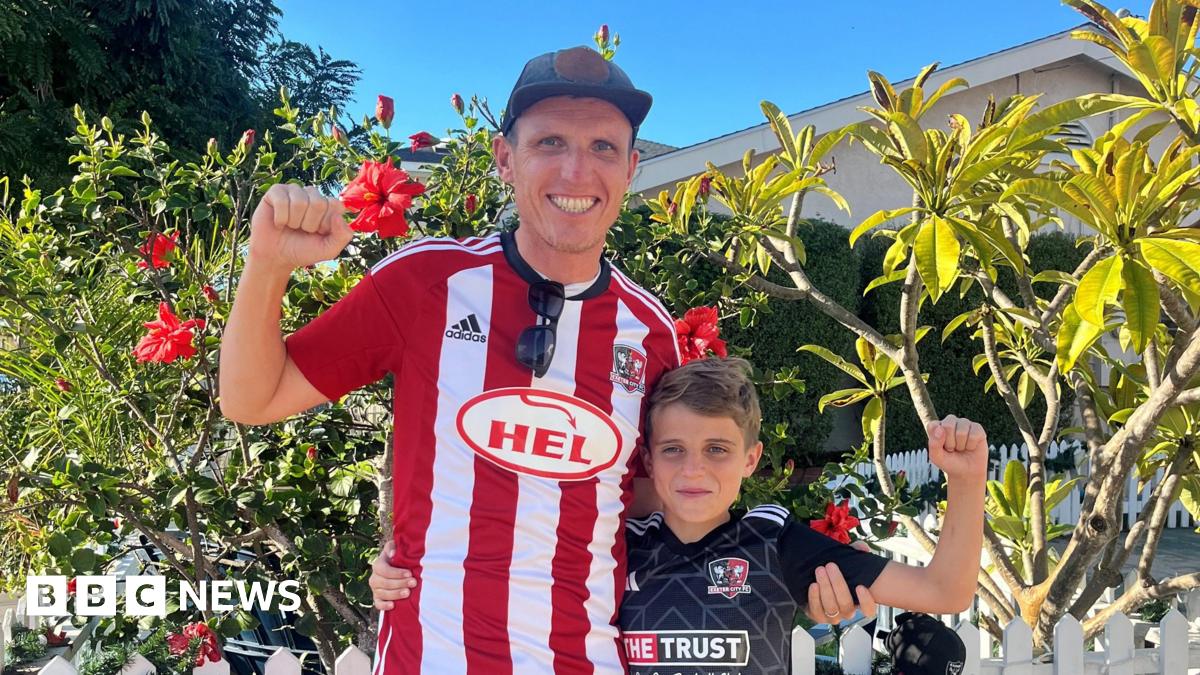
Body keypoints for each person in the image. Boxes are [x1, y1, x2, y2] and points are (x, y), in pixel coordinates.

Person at [220, 45, 683, 674]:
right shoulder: (426, 283)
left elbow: (652, 503)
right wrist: (267, 265)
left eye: (603, 147)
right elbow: (252, 399)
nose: (578, 171)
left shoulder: (651, 333)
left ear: (630, 169)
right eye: (549, 142)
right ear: (504, 159)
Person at [373, 358, 983, 674]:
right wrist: (399, 575)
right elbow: (499, 572)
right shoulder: (611, 547)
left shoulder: (774, 543)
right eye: (674, 450)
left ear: (751, 459)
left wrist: (967, 478)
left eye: (717, 449)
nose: (694, 469)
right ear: (648, 458)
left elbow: (944, 588)